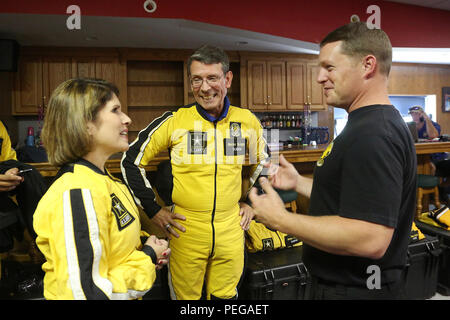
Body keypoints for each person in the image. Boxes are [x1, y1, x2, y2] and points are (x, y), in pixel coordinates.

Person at [249, 22, 417, 300]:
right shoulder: (365, 124)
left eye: (329, 67)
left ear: (367, 65)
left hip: (358, 290)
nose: (319, 77)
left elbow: (371, 238)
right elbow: (356, 200)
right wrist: (299, 183)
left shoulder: (374, 134)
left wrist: (282, 220)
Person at [121, 45, 269, 300]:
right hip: (186, 229)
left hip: (230, 227)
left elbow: (265, 162)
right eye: (196, 79)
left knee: (225, 296)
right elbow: (130, 162)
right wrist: (154, 210)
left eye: (212, 78)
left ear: (228, 79)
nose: (204, 87)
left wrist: (253, 202)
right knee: (186, 299)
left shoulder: (246, 120)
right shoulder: (175, 120)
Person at [33, 78, 170, 300]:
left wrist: (147, 247)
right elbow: (88, 294)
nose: (127, 118)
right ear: (85, 124)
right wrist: (148, 258)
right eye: (115, 110)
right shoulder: (76, 192)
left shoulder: (106, 182)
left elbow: (112, 245)